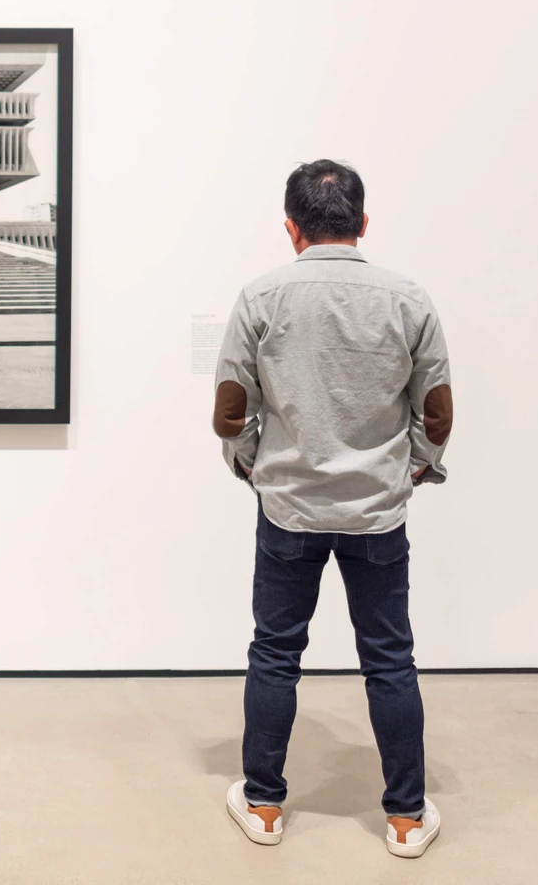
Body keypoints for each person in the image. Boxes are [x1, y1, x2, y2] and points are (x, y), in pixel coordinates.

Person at [214, 160, 453, 859]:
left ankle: (263, 805)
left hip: (288, 508)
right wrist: (413, 466)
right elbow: (435, 413)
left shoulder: (261, 296)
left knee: (275, 654)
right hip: (377, 511)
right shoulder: (409, 298)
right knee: (390, 660)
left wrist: (253, 463)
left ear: (291, 229)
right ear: (363, 223)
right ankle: (406, 818)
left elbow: (231, 410)